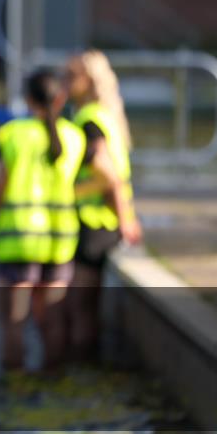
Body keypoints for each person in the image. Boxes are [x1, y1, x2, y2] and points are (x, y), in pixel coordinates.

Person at [0, 69, 85, 372]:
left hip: (18, 240)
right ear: (61, 98)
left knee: (14, 323)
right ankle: (53, 386)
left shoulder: (12, 134)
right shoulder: (74, 136)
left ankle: (14, 393)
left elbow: (0, 186)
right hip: (59, 241)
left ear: (27, 99)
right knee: (52, 320)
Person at [62, 50, 142, 360]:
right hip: (106, 222)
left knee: (78, 308)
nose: (64, 83)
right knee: (89, 308)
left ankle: (79, 369)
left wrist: (126, 221)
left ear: (88, 81)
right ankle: (91, 367)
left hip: (92, 225)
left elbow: (110, 176)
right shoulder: (107, 116)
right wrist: (127, 220)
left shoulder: (88, 121)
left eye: (70, 76)